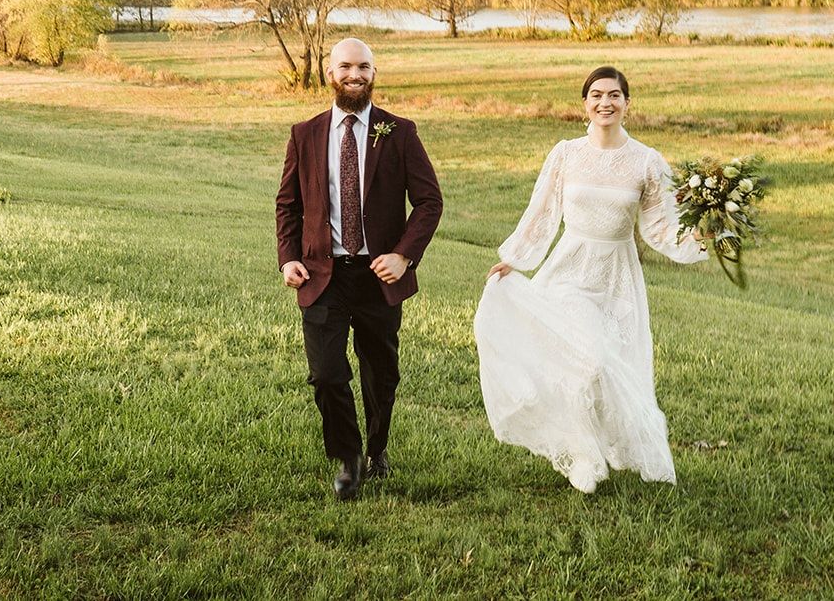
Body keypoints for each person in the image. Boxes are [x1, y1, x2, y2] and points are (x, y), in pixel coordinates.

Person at [473, 65, 708, 493]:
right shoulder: (565, 153)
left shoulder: (647, 161)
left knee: (611, 367)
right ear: (585, 102)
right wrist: (514, 260)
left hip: (617, 275)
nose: (605, 102)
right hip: (569, 268)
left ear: (627, 104)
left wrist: (706, 239)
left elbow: (660, 226)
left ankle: (602, 444)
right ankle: (582, 456)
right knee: (590, 360)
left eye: (614, 95)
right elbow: (542, 213)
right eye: (597, 95)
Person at [276, 38, 443, 500]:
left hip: (379, 275)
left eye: (363, 67)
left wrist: (403, 254)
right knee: (327, 373)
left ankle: (378, 447)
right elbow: (287, 204)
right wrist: (289, 256)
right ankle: (348, 459)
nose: (355, 74)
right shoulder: (304, 134)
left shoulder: (399, 132)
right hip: (322, 274)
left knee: (381, 372)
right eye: (345, 66)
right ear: (330, 73)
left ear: (374, 72)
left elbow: (429, 202)